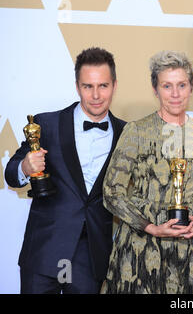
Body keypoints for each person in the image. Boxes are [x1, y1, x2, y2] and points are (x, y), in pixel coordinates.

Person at [5, 47, 127, 293]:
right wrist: (25, 167)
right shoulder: (46, 124)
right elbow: (11, 173)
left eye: (103, 86)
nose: (95, 95)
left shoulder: (127, 134)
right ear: (77, 86)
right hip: (43, 252)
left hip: (90, 258)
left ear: (114, 85)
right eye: (87, 86)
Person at [101, 50, 193, 294]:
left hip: (188, 251)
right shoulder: (137, 131)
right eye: (167, 86)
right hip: (140, 248)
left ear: (191, 88)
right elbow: (112, 192)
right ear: (155, 89)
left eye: (181, 85)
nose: (175, 94)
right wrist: (151, 227)